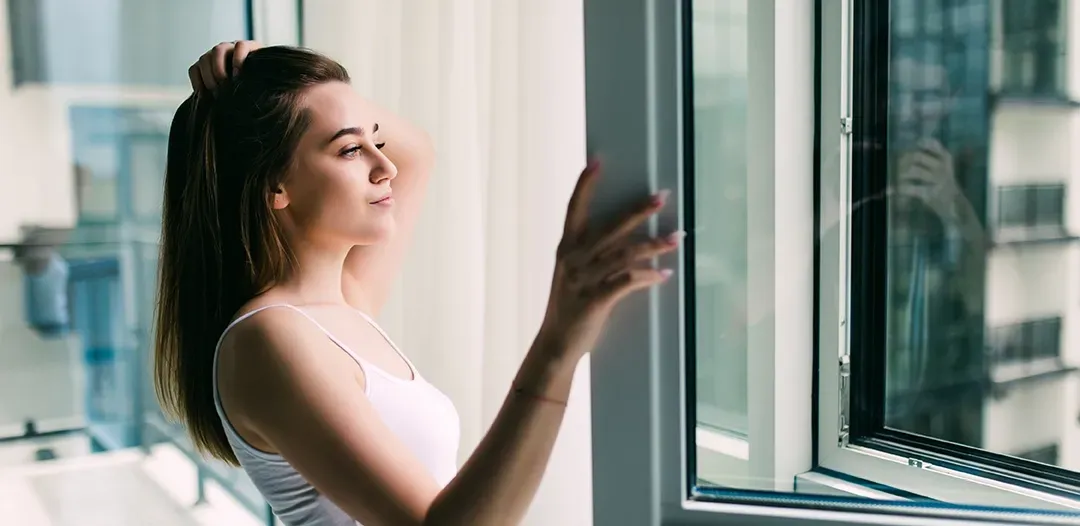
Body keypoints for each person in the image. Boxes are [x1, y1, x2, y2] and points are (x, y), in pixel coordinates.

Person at [153, 41, 681, 526]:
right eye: (350, 151)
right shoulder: (269, 340)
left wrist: (270, 73)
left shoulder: (342, 308)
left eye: (375, 141)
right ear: (275, 186)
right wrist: (558, 344)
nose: (386, 167)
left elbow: (418, 152)